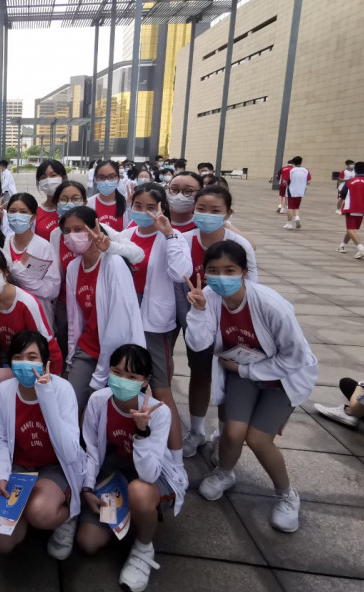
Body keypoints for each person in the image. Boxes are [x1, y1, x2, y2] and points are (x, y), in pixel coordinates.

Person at [186, 240, 318, 533]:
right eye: (213, 270)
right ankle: (225, 473)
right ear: (204, 272)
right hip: (242, 374)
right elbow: (199, 344)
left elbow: (294, 357)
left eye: (229, 270)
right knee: (232, 432)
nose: (221, 277)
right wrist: (198, 311)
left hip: (281, 378)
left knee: (258, 439)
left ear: (244, 272)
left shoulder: (272, 305)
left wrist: (245, 369)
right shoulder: (208, 298)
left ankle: (286, 495)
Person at [77, 344, 188, 592]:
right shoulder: (98, 400)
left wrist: (141, 432)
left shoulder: (159, 413)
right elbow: (92, 450)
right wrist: (87, 488)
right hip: (115, 472)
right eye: (116, 372)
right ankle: (130, 516)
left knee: (139, 492)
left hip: (150, 477)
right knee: (88, 542)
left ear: (145, 381)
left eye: (132, 376)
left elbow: (149, 473)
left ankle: (143, 547)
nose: (122, 380)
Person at [0, 331, 85, 560]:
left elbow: (70, 453)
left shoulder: (62, 390)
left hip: (55, 467)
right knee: (2, 541)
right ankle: (24, 512)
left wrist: (46, 395)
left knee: (40, 512)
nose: (25, 363)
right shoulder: (4, 391)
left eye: (32, 357)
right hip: (20, 467)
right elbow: (1, 439)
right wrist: (1, 475)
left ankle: (68, 515)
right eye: (18, 357)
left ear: (45, 362)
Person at [180, 185, 258, 456]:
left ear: (228, 213)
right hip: (198, 317)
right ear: (193, 210)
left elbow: (252, 286)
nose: (207, 215)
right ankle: (196, 431)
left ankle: (222, 436)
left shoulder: (240, 245)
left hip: (231, 321)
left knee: (228, 378)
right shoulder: (184, 240)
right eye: (201, 209)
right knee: (200, 374)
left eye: (215, 210)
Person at [121, 184, 191, 443]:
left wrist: (169, 233)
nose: (144, 212)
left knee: (161, 387)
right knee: (128, 378)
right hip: (128, 315)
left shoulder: (173, 237)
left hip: (155, 321)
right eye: (138, 206)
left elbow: (180, 273)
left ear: (163, 209)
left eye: (151, 207)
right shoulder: (126, 234)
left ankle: (176, 452)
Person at [61, 206, 144, 411]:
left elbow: (119, 324)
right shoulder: (73, 267)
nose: (72, 236)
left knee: (108, 409)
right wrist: (71, 359)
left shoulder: (113, 263)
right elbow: (74, 319)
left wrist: (99, 375)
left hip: (118, 355)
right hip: (87, 348)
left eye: (79, 229)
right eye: (67, 231)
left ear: (95, 229)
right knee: (70, 404)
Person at [0, 249, 63, 373]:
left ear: (6, 272)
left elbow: (42, 344)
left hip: (43, 362)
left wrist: (46, 375)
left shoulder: (26, 303)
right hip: (14, 360)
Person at [2, 193, 61, 319]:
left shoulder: (44, 247)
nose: (17, 215)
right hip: (10, 313)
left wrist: (23, 278)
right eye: (12, 211)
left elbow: (53, 290)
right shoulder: (4, 244)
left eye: (23, 212)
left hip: (38, 313)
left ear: (33, 217)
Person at [337, 161, 364, 258]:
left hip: (350, 208)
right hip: (361, 208)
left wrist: (339, 206)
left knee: (350, 229)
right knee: (351, 229)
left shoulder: (350, 181)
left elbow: (342, 195)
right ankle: (342, 245)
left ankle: (361, 249)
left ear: (354, 170)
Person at [87, 160, 129, 232]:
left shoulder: (126, 204)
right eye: (101, 177)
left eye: (111, 177)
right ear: (95, 179)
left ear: (118, 178)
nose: (106, 181)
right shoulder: (88, 204)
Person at [34, 159, 69, 241]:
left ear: (63, 178)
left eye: (53, 175)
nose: (48, 180)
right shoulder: (36, 213)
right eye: (43, 177)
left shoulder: (73, 207)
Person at [283, 156, 310, 230]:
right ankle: (297, 218)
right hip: (301, 191)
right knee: (296, 206)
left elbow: (285, 181)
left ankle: (289, 224)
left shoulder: (291, 170)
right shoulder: (306, 170)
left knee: (290, 207)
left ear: (293, 163)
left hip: (291, 191)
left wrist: (287, 186)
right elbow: (308, 181)